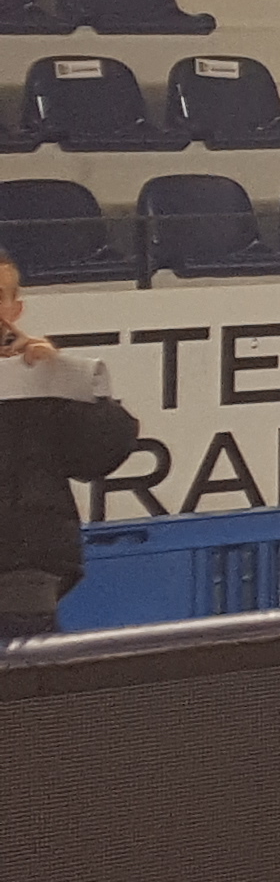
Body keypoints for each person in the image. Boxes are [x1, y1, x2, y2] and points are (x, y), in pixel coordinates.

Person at [0, 255, 145, 644]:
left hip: (21, 575)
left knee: (30, 676)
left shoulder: (41, 377)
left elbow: (98, 456)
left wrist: (61, 378)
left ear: (15, 309)